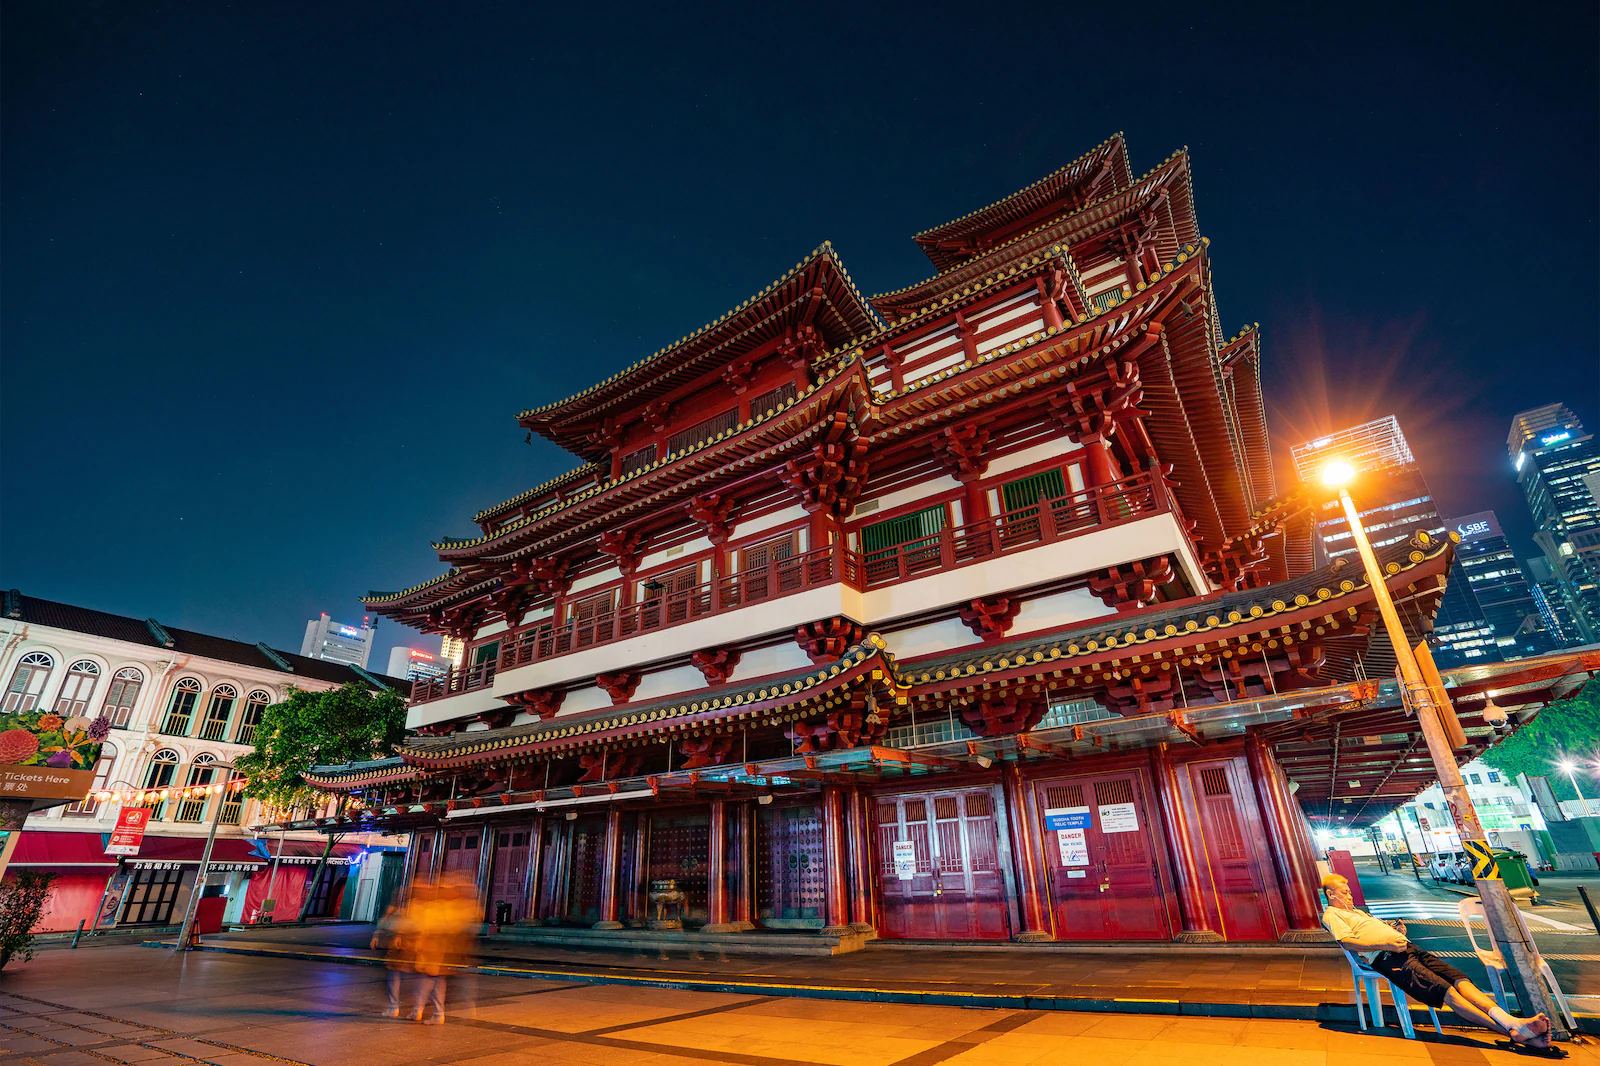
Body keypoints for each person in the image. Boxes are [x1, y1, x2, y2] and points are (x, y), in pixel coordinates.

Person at [1321, 874, 1553, 1050]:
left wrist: (1396, 931)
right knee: (1447, 992)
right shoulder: (1333, 915)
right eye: (1344, 891)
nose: (1349, 894)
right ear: (1331, 894)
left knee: (1459, 980)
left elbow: (1372, 932)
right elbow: (1348, 942)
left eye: (1349, 890)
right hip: (1389, 958)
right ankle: (1509, 1030)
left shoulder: (1358, 913)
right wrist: (1387, 945)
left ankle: (1512, 1021)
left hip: (1410, 949)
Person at [371, 895, 411, 1018]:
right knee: (395, 975)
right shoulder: (394, 911)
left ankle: (395, 1007)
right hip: (395, 945)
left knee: (395, 975)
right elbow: (384, 924)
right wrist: (377, 935)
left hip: (400, 946)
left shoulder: (403, 911)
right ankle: (398, 1007)